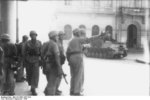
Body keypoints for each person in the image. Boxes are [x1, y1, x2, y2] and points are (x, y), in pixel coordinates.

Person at [66, 28, 100, 96]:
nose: (80, 34)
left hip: (71, 58)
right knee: (78, 75)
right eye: (80, 33)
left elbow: (67, 52)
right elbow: (88, 39)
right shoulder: (78, 39)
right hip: (78, 57)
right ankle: (76, 92)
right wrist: (99, 36)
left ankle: (72, 90)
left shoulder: (70, 41)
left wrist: (69, 60)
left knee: (73, 76)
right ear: (78, 33)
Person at [41, 31, 63, 96]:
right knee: (52, 83)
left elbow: (41, 55)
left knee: (49, 81)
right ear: (53, 37)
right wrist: (59, 68)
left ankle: (47, 92)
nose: (57, 37)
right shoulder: (54, 44)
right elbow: (57, 57)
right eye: (56, 36)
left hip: (46, 65)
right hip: (53, 66)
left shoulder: (45, 43)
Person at [24, 31, 42, 95]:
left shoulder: (39, 42)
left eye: (34, 35)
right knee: (29, 74)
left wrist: (41, 61)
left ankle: (33, 88)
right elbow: (24, 52)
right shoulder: (27, 43)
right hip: (28, 60)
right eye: (32, 35)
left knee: (35, 75)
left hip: (36, 60)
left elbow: (41, 52)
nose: (33, 36)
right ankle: (31, 86)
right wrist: (24, 61)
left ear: (36, 35)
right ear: (30, 36)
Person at [56, 31, 66, 95]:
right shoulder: (57, 42)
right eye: (61, 35)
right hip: (57, 61)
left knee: (59, 75)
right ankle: (55, 89)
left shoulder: (61, 42)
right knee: (58, 75)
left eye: (63, 35)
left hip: (60, 61)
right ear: (59, 36)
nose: (63, 36)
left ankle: (56, 88)